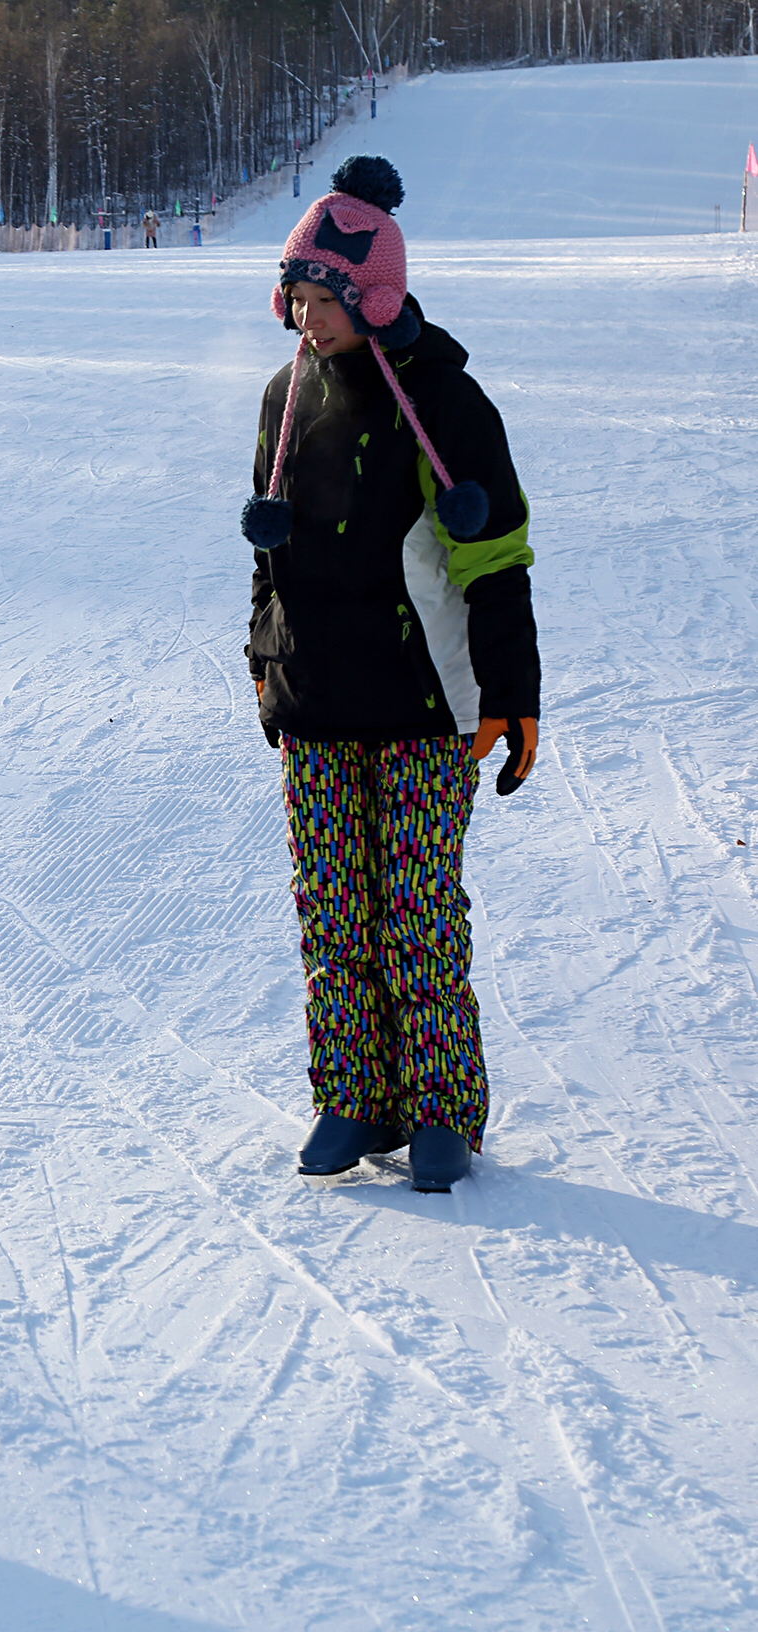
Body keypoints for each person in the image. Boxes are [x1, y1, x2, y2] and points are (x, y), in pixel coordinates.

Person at [238, 156, 539, 1194]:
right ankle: (354, 1097)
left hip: (422, 708)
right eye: (297, 297)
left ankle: (443, 1108)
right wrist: (265, 672)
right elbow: (266, 559)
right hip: (317, 705)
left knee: (414, 909)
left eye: (324, 298)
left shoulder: (445, 404)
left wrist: (512, 696)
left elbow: (497, 558)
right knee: (333, 909)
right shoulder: (283, 397)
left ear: (375, 295)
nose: (305, 318)